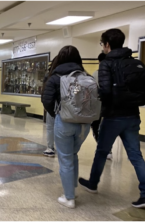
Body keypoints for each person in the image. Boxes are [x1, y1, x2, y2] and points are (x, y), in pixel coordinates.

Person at [79, 29, 145, 208]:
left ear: (107, 45)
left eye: (102, 44)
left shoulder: (107, 64)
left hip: (113, 116)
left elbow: (105, 91)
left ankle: (93, 183)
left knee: (102, 151)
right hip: (133, 115)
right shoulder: (135, 63)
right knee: (136, 155)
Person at [41, 45, 91, 209]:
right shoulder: (86, 76)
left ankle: (69, 197)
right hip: (84, 125)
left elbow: (46, 100)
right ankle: (73, 190)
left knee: (65, 159)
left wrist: (56, 115)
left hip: (64, 122)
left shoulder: (55, 77)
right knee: (73, 155)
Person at [91, 52, 113, 160]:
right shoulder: (114, 72)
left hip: (98, 105)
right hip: (112, 106)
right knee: (108, 128)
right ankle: (108, 149)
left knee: (95, 126)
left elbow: (93, 90)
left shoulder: (96, 74)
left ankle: (103, 148)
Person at [42, 56, 59, 157]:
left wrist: (45, 104)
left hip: (51, 105)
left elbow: (44, 91)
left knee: (50, 127)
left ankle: (50, 148)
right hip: (65, 107)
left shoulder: (49, 75)